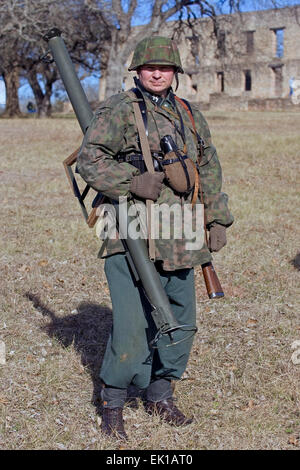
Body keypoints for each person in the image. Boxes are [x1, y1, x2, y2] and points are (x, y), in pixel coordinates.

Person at [77, 36, 233, 440]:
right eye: (150, 68)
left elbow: (208, 165)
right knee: (131, 322)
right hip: (130, 228)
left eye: (165, 68)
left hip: (179, 229)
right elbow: (88, 159)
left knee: (181, 317)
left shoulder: (189, 114)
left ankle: (159, 393)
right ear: (138, 72)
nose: (158, 73)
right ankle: (113, 402)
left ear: (176, 73)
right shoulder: (118, 109)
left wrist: (218, 219)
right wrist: (132, 181)